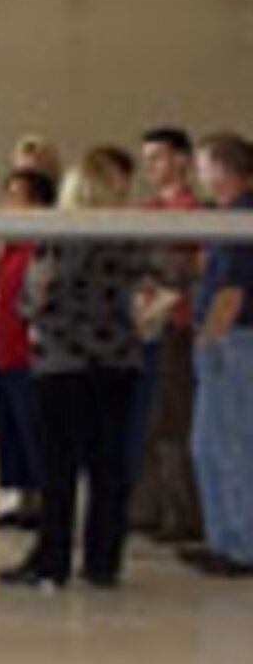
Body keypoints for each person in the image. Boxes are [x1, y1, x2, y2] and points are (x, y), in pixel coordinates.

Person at [3, 146, 148, 589]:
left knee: (58, 469)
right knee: (108, 468)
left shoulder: (61, 235)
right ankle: (103, 562)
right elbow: (160, 280)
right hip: (117, 361)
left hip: (62, 364)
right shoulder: (131, 235)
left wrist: (31, 310)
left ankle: (53, 560)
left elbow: (36, 298)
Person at [128, 126, 205, 546]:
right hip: (146, 327)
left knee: (174, 423)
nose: (151, 167)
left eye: (158, 156)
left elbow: (186, 273)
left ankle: (184, 514)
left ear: (182, 159)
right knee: (148, 422)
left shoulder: (194, 213)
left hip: (177, 325)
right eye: (147, 158)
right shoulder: (148, 210)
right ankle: (148, 507)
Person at [183, 133, 253, 578]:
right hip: (229, 341)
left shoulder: (241, 218)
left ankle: (239, 545)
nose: (199, 176)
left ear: (223, 169)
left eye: (203, 166)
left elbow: (232, 288)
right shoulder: (229, 215)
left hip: (234, 343)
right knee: (210, 444)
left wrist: (207, 339)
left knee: (227, 445)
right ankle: (224, 537)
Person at [0, 167, 57, 531]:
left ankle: (46, 501)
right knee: (8, 429)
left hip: (29, 355)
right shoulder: (9, 249)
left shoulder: (41, 248)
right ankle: (20, 496)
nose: (9, 204)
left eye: (18, 196)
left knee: (35, 431)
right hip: (0, 351)